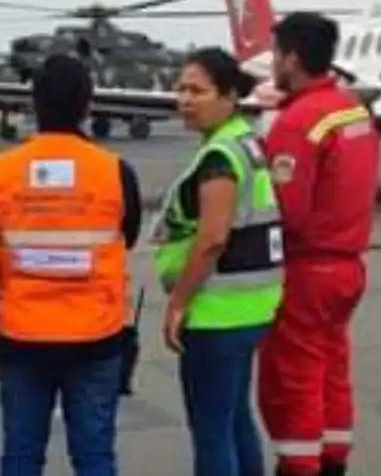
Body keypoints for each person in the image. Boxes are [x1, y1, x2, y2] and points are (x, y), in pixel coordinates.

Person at [0, 53, 142, 476]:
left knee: (21, 455)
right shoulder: (115, 171)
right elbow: (128, 236)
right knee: (94, 457)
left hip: (23, 335)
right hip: (95, 335)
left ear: (33, 105)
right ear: (88, 106)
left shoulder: (1, 170)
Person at [150, 47, 285, 476]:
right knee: (235, 420)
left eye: (198, 91)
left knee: (212, 432)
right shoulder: (246, 141)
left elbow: (212, 239)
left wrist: (178, 303)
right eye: (181, 90)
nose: (185, 100)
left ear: (228, 96)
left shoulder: (220, 158)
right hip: (252, 307)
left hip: (217, 313)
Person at [258, 12, 381, 476]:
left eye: (276, 54)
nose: (273, 63)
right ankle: (333, 458)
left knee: (294, 377)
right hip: (349, 267)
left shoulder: (298, 122)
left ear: (291, 58)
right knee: (332, 367)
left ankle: (299, 464)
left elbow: (285, 211)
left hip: (308, 270)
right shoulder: (355, 112)